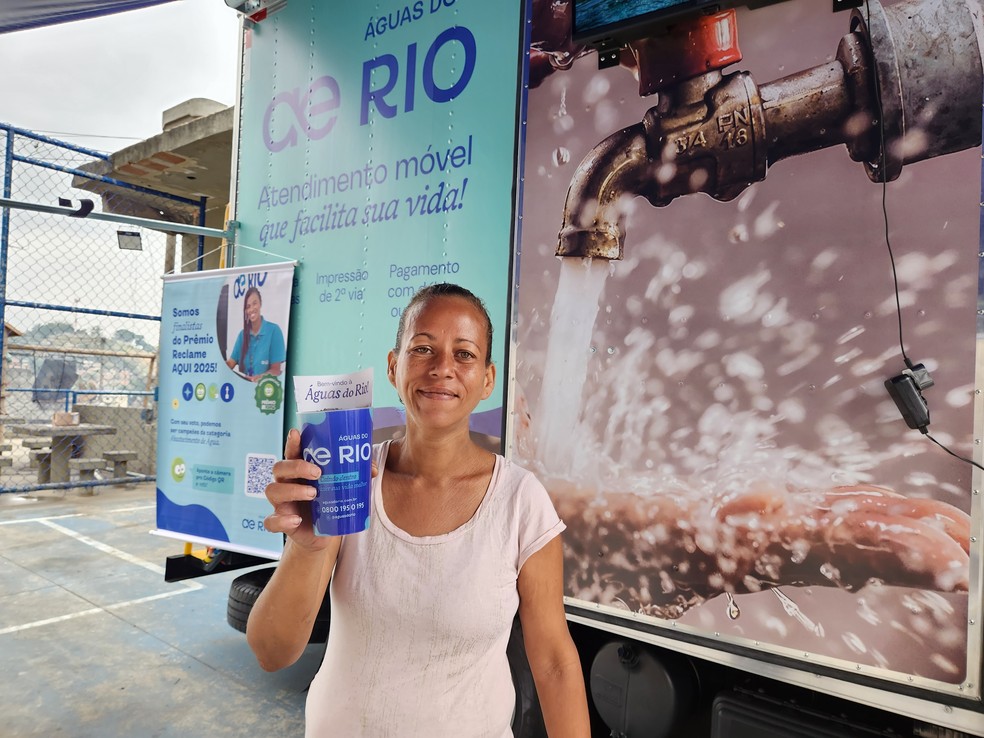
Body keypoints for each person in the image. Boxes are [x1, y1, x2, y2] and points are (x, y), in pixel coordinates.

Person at [247, 283, 591, 737]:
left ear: (488, 380)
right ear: (394, 367)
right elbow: (272, 653)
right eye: (423, 348)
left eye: (464, 354)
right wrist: (306, 548)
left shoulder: (520, 501)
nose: (442, 368)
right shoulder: (350, 480)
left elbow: (554, 663)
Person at [225, 286, 286, 381]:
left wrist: (258, 378)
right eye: (248, 306)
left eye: (254, 303)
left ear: (260, 303)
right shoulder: (242, 336)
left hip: (265, 388)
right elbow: (230, 364)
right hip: (243, 387)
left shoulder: (274, 331)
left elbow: (276, 370)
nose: (251, 309)